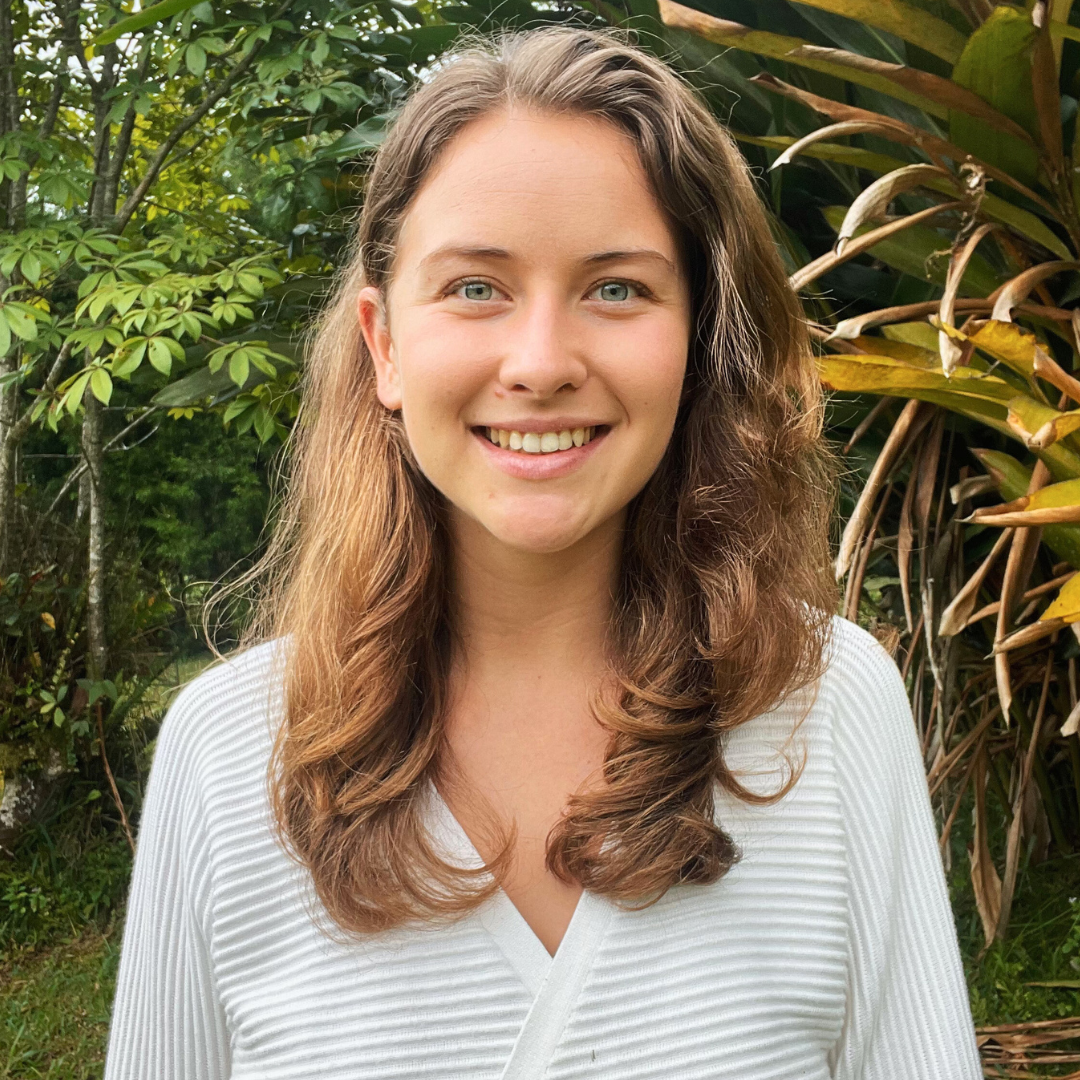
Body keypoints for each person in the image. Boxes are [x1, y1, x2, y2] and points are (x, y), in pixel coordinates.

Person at [103, 26, 981, 1080]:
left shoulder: (834, 711)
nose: (541, 363)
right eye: (476, 288)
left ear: (697, 342)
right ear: (385, 345)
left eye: (617, 289)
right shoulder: (224, 755)